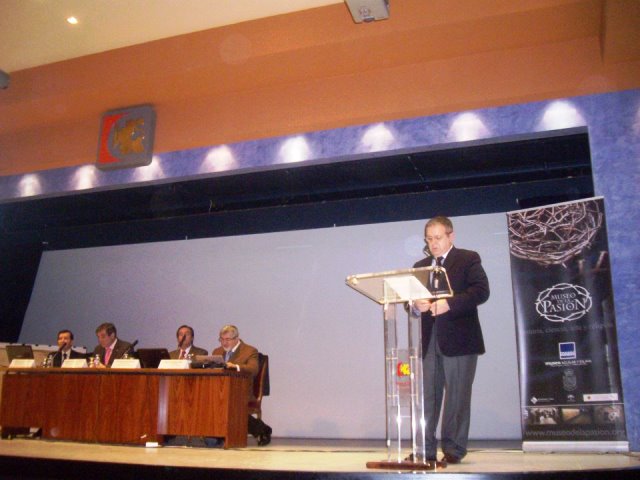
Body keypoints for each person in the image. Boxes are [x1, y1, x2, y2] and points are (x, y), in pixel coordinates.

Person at [412, 216, 489, 464]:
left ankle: (454, 449)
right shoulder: (420, 266)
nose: (433, 243)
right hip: (430, 342)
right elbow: (410, 301)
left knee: (457, 397)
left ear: (451, 236)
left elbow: (481, 291)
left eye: (438, 238)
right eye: (429, 239)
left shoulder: (468, 259)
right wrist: (415, 305)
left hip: (461, 341)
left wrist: (449, 304)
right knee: (427, 397)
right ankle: (424, 449)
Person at [212, 324, 272, 446]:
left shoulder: (250, 351)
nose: (224, 343)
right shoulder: (217, 352)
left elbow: (253, 369)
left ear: (236, 338)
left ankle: (261, 430)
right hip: (220, 391)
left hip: (242, 391)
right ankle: (215, 432)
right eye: (221, 339)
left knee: (229, 404)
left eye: (227, 339)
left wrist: (236, 367)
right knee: (213, 401)